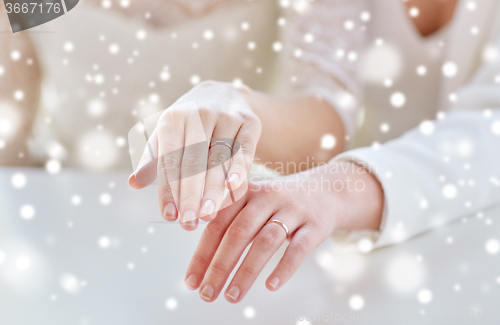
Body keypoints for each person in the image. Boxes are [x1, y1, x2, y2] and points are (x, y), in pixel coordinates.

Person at [2, 0, 500, 305]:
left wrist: (238, 106)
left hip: (216, 233)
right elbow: (9, 136)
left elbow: (326, 112)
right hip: (64, 227)